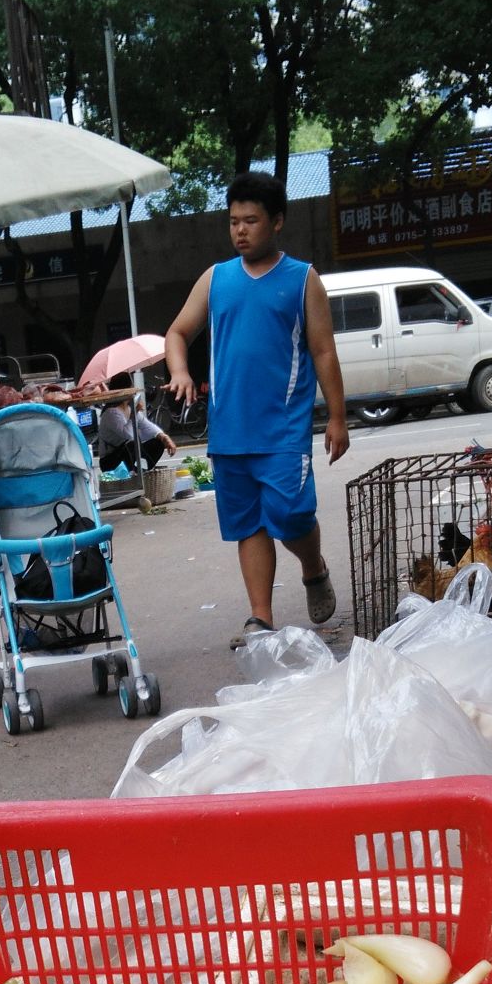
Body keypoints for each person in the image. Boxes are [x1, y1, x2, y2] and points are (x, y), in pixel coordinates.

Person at [164, 171, 348, 642]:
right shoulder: (216, 279)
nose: (240, 230)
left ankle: (313, 567)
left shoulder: (303, 278)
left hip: (283, 429)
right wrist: (180, 371)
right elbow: (177, 333)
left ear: (277, 222)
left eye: (251, 221)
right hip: (229, 432)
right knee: (248, 525)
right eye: (233, 222)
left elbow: (324, 351)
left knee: (289, 515)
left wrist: (338, 418)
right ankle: (261, 617)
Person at [99, 394, 175, 476]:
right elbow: (129, 435)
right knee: (132, 444)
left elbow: (149, 427)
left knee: (158, 443)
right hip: (110, 461)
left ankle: (143, 472)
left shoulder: (129, 409)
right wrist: (134, 414)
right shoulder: (111, 413)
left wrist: (164, 437)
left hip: (126, 456)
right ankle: (138, 473)